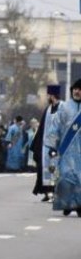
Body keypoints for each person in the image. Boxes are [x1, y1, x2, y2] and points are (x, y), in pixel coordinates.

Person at [45, 79, 81, 216]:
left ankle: (78, 205)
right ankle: (66, 203)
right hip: (66, 151)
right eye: (75, 89)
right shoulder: (64, 107)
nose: (77, 91)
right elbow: (55, 127)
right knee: (66, 177)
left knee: (80, 179)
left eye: (80, 89)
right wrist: (52, 146)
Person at [32, 84, 62, 202]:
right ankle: (47, 191)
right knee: (45, 169)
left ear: (52, 96)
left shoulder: (63, 108)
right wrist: (37, 145)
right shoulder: (48, 109)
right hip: (46, 145)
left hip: (58, 145)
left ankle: (56, 193)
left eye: (48, 95)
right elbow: (42, 128)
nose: (47, 97)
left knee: (56, 169)